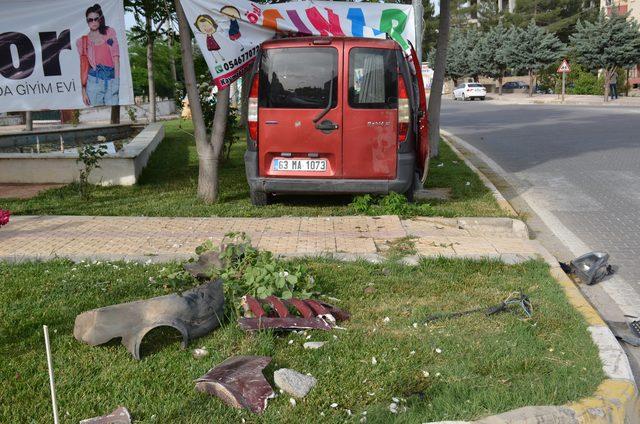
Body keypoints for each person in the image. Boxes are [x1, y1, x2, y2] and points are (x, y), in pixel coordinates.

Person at [76, 3, 120, 106]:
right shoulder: (82, 42)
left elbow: (116, 58)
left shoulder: (109, 33)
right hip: (93, 81)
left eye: (96, 19)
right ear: (87, 22)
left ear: (100, 19)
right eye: (90, 20)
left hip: (111, 79)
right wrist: (83, 90)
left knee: (113, 115)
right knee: (99, 115)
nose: (93, 22)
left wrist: (117, 81)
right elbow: (84, 67)